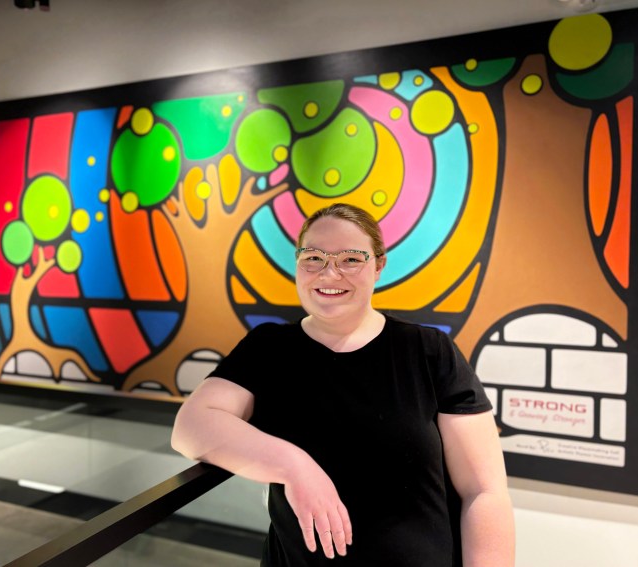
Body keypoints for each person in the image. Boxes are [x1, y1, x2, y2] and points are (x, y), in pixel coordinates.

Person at [171, 203, 515, 566]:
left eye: (351, 259)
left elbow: (484, 493)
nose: (329, 273)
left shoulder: (427, 351)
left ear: (379, 266)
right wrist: (294, 467)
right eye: (314, 257)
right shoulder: (270, 348)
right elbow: (190, 427)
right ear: (298, 264)